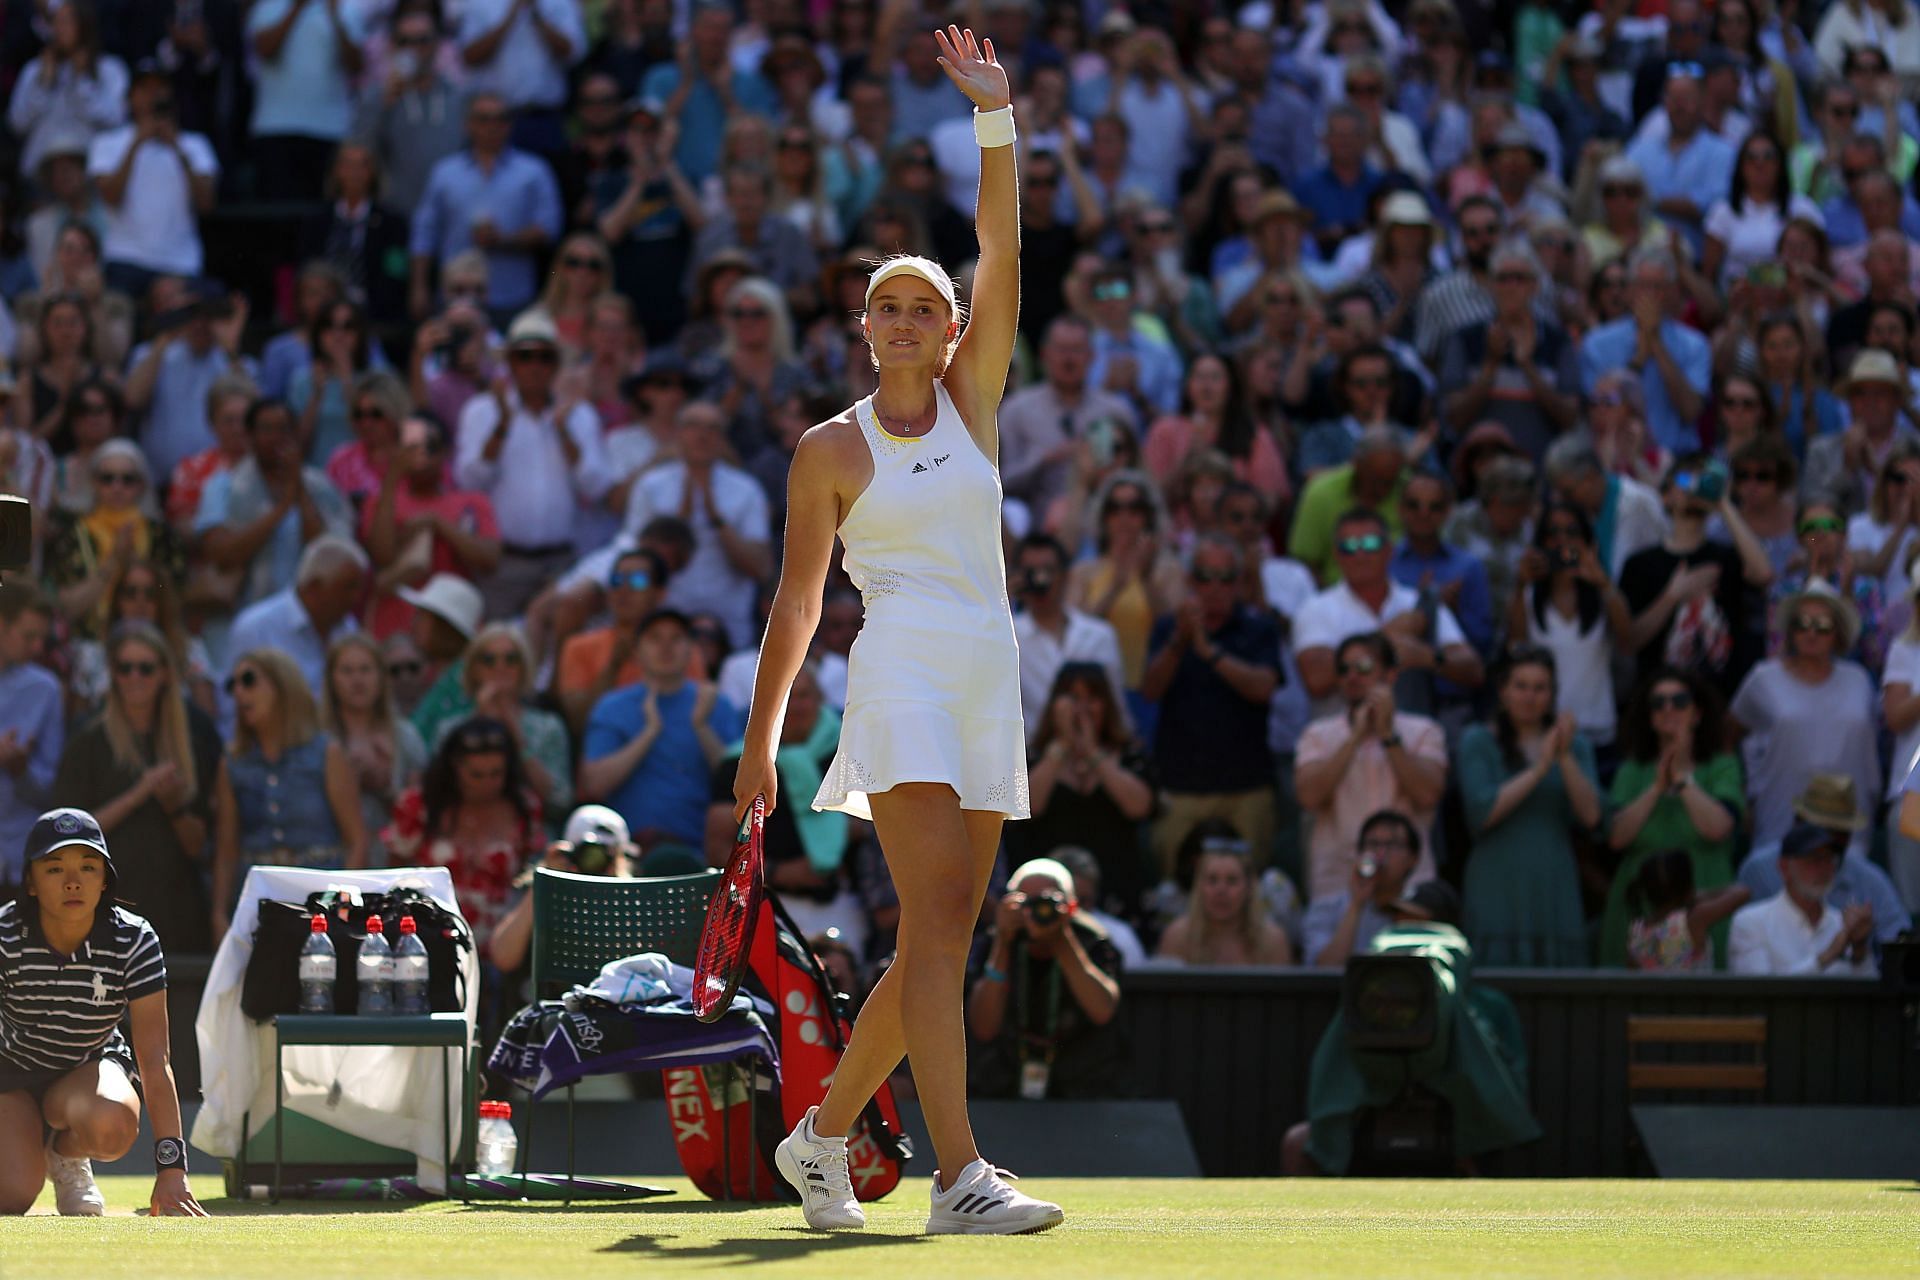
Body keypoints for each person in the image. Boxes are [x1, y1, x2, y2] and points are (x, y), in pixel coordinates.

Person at [734, 30, 1062, 1236]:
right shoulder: (828, 449)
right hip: (903, 674)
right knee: (933, 924)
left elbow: (1002, 243)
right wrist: (762, 740)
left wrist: (995, 121)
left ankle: (819, 1141)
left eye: (929, 305)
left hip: (987, 672)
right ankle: (958, 1174)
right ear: (865, 329)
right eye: (889, 306)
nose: (911, 319)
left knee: (941, 934)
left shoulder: (977, 394)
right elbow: (799, 603)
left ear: (954, 324)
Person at [0, 808, 206, 1217]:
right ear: (31, 882)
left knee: (112, 1127)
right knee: (11, 1196)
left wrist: (172, 1171)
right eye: (55, 868)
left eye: (89, 867)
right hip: (9, 1077)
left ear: (104, 880)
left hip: (87, 1069)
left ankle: (66, 1156)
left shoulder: (135, 938)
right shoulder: (4, 935)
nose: (73, 881)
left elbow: (154, 1058)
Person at [50, 623, 221, 954]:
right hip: (103, 907)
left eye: (145, 668)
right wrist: (138, 795)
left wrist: (174, 807)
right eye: (125, 668)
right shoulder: (88, 738)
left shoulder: (193, 736)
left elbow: (200, 846)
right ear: (113, 674)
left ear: (165, 674)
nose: (135, 677)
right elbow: (66, 835)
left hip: (176, 910)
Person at [453, 310, 610, 618]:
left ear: (556, 364)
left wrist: (565, 432)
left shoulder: (580, 415)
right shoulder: (482, 411)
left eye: (545, 357)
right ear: (510, 363)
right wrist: (502, 426)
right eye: (525, 356)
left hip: (562, 562)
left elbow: (597, 487)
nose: (535, 366)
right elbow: (468, 482)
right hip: (503, 564)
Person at [1142, 536, 1283, 876]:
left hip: (1246, 788)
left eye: (1225, 577)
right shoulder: (1169, 628)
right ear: (1191, 581)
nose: (1215, 587)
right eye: (1205, 576)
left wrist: (1210, 653)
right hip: (1181, 786)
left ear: (1239, 582)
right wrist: (1181, 641)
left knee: (1247, 884)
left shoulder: (1259, 628)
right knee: (1174, 885)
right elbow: (1150, 689)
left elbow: (1264, 688)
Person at [706, 662, 866, 950]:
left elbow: (880, 822)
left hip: (843, 902)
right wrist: (780, 871)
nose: (795, 707)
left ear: (819, 700)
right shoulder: (740, 763)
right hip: (769, 903)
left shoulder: (849, 749)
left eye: (803, 696)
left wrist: (842, 834)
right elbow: (717, 849)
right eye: (786, 698)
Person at [1457, 647, 1600, 967]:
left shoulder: (1575, 746)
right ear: (1503, 692)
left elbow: (1591, 817)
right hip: (1497, 882)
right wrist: (1540, 767)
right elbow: (1482, 812)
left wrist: (1562, 758)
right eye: (1521, 686)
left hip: (1553, 881)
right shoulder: (1478, 741)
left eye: (1540, 688)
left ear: (1552, 694)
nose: (1530, 696)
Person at [210, 649, 366, 940]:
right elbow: (227, 848)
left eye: (249, 680)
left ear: (283, 685)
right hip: (259, 903)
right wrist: (219, 913)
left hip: (321, 898)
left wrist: (340, 909)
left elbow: (356, 840)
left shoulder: (325, 753)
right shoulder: (232, 762)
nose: (240, 692)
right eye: (233, 685)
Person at [1602, 669, 1745, 967]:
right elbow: (1616, 837)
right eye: (1659, 703)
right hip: (1641, 902)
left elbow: (1718, 828)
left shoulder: (1722, 765)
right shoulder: (1631, 771)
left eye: (1679, 701)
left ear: (1697, 713)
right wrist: (1656, 787)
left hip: (1703, 896)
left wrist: (1681, 778)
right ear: (1650, 717)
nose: (1669, 709)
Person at [1729, 581, 1881, 851]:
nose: (1811, 633)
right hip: (1778, 820)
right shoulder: (1762, 679)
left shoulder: (1859, 680)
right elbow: (1727, 736)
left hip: (1849, 828)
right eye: (1801, 623)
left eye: (1822, 625)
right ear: (1789, 632)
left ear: (1838, 634)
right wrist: (1743, 795)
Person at [1294, 633, 1446, 902]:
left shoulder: (1424, 731)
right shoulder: (1317, 735)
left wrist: (1387, 735)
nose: (1352, 677)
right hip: (1337, 881)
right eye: (1344, 670)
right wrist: (1355, 737)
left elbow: (1427, 794)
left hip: (1410, 881)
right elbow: (1309, 797)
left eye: (1363, 668)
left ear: (1391, 675)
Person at [965, 857, 1124, 1101]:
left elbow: (1102, 1010)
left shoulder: (1094, 941)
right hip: (1003, 1086)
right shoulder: (996, 941)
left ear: (1071, 908)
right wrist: (1002, 943)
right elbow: (984, 1027)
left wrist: (1061, 939)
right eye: (1026, 903)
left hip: (1080, 1088)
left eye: (1046, 902)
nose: (1037, 912)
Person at [383, 716, 546, 949]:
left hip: (502, 943)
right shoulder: (419, 806)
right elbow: (394, 873)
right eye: (476, 775)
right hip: (431, 937)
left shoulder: (525, 809)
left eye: (496, 773)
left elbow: (528, 876)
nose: (487, 783)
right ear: (454, 768)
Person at [1011, 661, 1156, 921]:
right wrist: (1063, 745)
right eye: (1074, 698)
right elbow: (1026, 808)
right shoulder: (1032, 757)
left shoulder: (1131, 756)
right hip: (1048, 897)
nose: (1082, 708)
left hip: (1117, 892)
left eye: (1092, 698)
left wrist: (1092, 752)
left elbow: (1140, 807)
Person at [581, 608, 736, 851]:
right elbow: (594, 785)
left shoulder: (716, 704)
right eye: (655, 638)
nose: (666, 647)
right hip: (628, 854)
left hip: (702, 855)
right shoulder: (611, 707)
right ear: (636, 650)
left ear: (690, 649)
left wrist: (702, 727)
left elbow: (740, 787)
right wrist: (649, 732)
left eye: (676, 638)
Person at [1620, 454, 1773, 686]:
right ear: (1665, 495)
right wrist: (1673, 595)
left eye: (1701, 482)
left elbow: (1763, 575)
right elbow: (1628, 641)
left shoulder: (1728, 558)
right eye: (1683, 481)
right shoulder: (1640, 564)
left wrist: (1722, 502)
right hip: (1660, 700)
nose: (1692, 489)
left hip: (1718, 698)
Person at [362, 410, 501, 639]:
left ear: (446, 452)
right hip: (394, 629)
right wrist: (393, 476)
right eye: (413, 447)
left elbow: (489, 560)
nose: (422, 456)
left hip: (453, 625)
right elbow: (382, 556)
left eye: (431, 447)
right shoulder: (380, 501)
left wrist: (438, 524)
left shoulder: (473, 502)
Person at [1511, 503, 1632, 750]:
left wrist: (1603, 582)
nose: (1562, 540)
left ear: (1587, 540)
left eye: (1572, 532)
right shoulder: (1527, 595)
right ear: (1540, 542)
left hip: (1598, 728)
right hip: (1545, 731)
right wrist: (1521, 584)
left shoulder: (1603, 593)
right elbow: (1516, 648)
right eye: (1553, 533)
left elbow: (1627, 641)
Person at [43, 440, 185, 645]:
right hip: (88, 644)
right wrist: (113, 562)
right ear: (93, 483)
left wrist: (135, 562)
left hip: (155, 643)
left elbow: (174, 601)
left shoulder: (163, 535)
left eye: (127, 479)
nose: (117, 487)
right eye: (107, 479)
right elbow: (64, 607)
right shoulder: (73, 535)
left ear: (142, 485)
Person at [427, 624, 572, 819]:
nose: (500, 668)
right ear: (474, 669)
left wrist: (516, 737)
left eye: (511, 659)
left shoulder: (548, 727)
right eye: (488, 660)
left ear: (523, 667)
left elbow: (559, 802)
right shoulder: (449, 730)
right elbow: (436, 796)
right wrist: (479, 723)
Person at [221, 536, 368, 727]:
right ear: (314, 587)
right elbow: (232, 707)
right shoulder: (256, 627)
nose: (356, 598)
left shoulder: (347, 626)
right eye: (349, 587)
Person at [1009, 534, 1125, 746]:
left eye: (1047, 571)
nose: (1039, 580)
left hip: (1095, 755)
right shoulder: (1007, 638)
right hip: (1033, 758)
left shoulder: (1100, 635)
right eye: (1030, 573)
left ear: (1065, 575)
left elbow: (1117, 710)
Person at [323, 634, 427, 869]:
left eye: (365, 670)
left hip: (391, 863)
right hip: (333, 858)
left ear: (381, 677)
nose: (357, 680)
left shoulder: (406, 737)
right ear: (331, 679)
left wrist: (385, 788)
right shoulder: (318, 740)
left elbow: (420, 813)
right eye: (347, 671)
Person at [1729, 822, 1878, 976]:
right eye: (1814, 859)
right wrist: (1826, 957)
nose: (1824, 868)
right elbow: (1757, 993)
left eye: (1830, 858)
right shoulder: (1750, 922)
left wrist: (1860, 950)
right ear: (1784, 867)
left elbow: (1870, 994)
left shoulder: (1843, 924)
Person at [1302, 808, 1437, 966]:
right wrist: (1356, 904)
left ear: (1413, 858)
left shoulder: (1427, 909)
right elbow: (1325, 970)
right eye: (1373, 844)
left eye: (1392, 845)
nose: (1381, 854)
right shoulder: (1325, 910)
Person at [0, 587, 61, 892]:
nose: (37, 647)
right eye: (28, 636)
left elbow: (51, 790)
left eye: (42, 638)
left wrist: (20, 769)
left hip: (19, 861)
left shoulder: (44, 689)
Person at [1155, 839, 1292, 964]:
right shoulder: (1177, 937)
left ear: (1249, 888)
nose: (1221, 891)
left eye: (1232, 881)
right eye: (1212, 880)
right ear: (1199, 886)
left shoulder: (1273, 941)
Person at [1623, 850, 1753, 972]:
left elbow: (1633, 972)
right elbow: (1742, 893)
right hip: (1692, 995)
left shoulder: (1637, 929)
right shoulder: (1692, 920)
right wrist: (1698, 896)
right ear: (1688, 886)